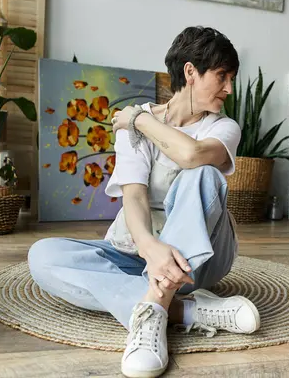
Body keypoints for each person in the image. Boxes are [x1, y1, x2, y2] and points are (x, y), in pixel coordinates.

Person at [28, 26, 260, 378]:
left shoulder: (223, 126)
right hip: (138, 249)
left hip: (201, 255)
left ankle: (153, 311)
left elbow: (192, 153)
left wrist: (137, 119)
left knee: (204, 173)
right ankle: (185, 311)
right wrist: (150, 247)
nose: (229, 88)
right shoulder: (136, 124)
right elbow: (133, 195)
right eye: (222, 76)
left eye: (232, 78)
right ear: (190, 72)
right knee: (43, 257)